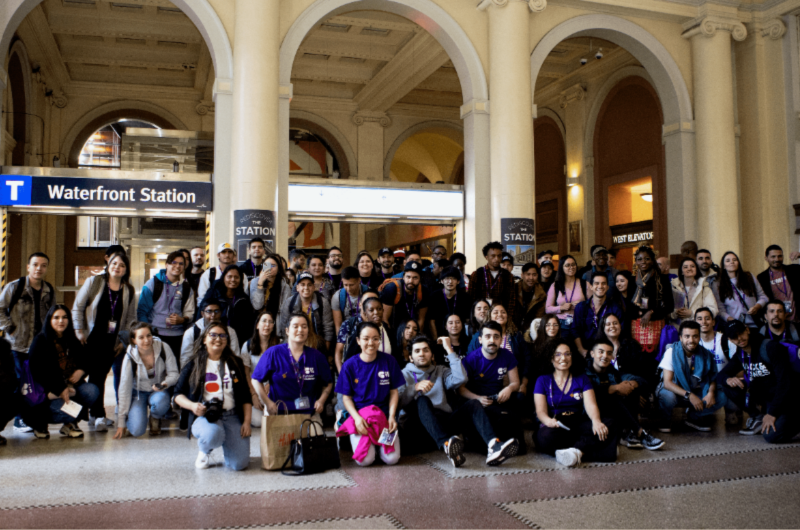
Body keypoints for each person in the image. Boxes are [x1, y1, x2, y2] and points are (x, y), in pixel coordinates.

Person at [400, 335, 519, 466]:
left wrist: (449, 349)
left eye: (426, 350)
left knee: (473, 404)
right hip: (419, 427)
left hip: (444, 421)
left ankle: (494, 446)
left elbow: (461, 379)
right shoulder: (403, 374)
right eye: (417, 351)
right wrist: (414, 388)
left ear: (432, 355)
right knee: (422, 400)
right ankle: (446, 444)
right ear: (410, 357)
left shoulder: (441, 370)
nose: (422, 354)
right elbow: (400, 401)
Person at [72, 251, 137, 431]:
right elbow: (78, 307)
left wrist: (123, 342)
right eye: (115, 263)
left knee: (99, 377)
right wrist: (78, 331)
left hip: (111, 342)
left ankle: (96, 415)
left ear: (126, 270)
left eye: (122, 265)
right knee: (80, 376)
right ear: (108, 265)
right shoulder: (94, 282)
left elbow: (131, 319)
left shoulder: (128, 290)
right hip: (88, 339)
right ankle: (80, 415)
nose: (117, 267)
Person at [174, 322, 252, 470]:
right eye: (213, 335)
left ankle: (229, 445)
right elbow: (177, 394)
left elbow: (245, 395)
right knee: (212, 435)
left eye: (223, 335)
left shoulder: (236, 363)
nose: (218, 339)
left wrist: (247, 422)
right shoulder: (194, 363)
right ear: (204, 339)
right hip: (204, 416)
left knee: (239, 465)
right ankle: (204, 450)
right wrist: (192, 406)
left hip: (232, 415)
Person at [534, 339, 618, 467]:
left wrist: (596, 421)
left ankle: (575, 452)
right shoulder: (542, 380)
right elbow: (540, 411)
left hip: (578, 423)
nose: (563, 358)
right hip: (557, 425)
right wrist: (548, 421)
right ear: (550, 358)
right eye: (558, 354)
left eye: (568, 354)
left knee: (609, 423)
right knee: (543, 436)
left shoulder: (582, 378)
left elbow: (591, 404)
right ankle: (600, 452)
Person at [335, 321, 405, 466]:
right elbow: (346, 398)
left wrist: (391, 417)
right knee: (365, 461)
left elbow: (394, 392)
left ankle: (378, 446)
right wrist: (357, 419)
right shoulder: (349, 365)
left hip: (384, 417)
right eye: (366, 339)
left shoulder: (389, 361)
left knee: (391, 459)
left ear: (379, 340)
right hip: (361, 418)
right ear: (358, 341)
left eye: (375, 338)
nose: (371, 343)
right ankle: (345, 421)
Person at [718, 320, 800, 442]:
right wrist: (728, 378)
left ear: (747, 329)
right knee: (729, 385)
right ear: (730, 340)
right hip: (767, 398)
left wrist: (772, 413)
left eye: (741, 333)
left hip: (787, 398)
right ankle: (757, 417)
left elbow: (785, 383)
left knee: (771, 436)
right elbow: (721, 375)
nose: (739, 338)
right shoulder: (741, 353)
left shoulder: (770, 347)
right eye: (734, 337)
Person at [0, 252, 55, 434]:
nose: (39, 268)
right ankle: (19, 419)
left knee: (35, 384)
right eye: (36, 264)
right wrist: (10, 329)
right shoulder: (14, 288)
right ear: (28, 267)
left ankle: (32, 418)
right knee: (18, 383)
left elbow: (52, 317)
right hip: (18, 345)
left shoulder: (48, 290)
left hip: (39, 347)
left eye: (43, 265)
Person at [28, 305, 100, 439]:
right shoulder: (40, 340)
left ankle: (69, 425)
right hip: (48, 392)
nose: (61, 321)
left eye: (64, 317)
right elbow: (37, 371)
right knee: (70, 411)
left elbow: (87, 360)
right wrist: (60, 388)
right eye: (56, 317)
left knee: (92, 390)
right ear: (49, 319)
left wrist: (81, 370)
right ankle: (40, 424)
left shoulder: (72, 340)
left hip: (71, 388)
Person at [251, 313, 333, 423]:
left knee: (315, 439)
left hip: (309, 414)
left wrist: (321, 401)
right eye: (295, 326)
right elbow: (255, 379)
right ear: (287, 331)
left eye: (304, 327)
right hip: (279, 413)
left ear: (308, 331)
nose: (300, 330)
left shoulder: (317, 356)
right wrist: (267, 403)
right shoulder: (273, 353)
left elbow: (328, 383)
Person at [585, 340, 664, 450]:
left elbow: (640, 381)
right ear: (592, 354)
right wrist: (614, 388)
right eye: (601, 352)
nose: (605, 356)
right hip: (590, 412)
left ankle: (630, 433)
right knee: (612, 398)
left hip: (611, 409)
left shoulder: (611, 371)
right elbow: (588, 392)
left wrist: (632, 385)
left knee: (630, 390)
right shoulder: (584, 371)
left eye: (609, 353)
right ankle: (641, 433)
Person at [458, 321, 524, 452]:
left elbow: (516, 383)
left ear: (501, 339)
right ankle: (491, 443)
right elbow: (460, 389)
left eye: (496, 336)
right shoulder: (471, 359)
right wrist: (477, 398)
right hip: (478, 401)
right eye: (487, 336)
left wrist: (509, 388)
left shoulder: (507, 355)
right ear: (480, 340)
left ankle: (515, 443)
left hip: (498, 397)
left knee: (519, 397)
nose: (492, 340)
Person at [656, 321, 726, 432]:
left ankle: (693, 417)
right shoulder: (671, 352)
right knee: (668, 396)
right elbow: (667, 383)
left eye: (695, 336)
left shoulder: (706, 354)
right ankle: (665, 419)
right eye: (687, 336)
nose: (691, 340)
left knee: (721, 396)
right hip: (676, 392)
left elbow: (712, 379)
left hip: (695, 391)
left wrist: (711, 393)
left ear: (699, 337)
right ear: (681, 338)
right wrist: (689, 395)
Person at [114, 322, 178, 438]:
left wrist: (164, 384)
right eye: (141, 337)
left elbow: (174, 373)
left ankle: (155, 417)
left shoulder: (163, 347)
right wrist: (121, 422)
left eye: (149, 336)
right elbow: (124, 387)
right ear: (133, 340)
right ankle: (132, 415)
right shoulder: (129, 356)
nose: (147, 340)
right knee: (137, 431)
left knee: (161, 401)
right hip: (138, 392)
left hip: (158, 391)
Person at [137, 250, 196, 360]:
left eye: (181, 264)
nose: (177, 266)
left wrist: (182, 319)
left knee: (174, 370)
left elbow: (190, 313)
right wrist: (146, 334)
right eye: (174, 262)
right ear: (167, 265)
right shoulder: (152, 284)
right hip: (155, 335)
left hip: (177, 336)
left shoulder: (187, 288)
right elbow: (141, 312)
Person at [629, 246, 674, 354]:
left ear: (653, 260)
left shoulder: (662, 279)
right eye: (639, 259)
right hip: (637, 325)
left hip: (656, 324)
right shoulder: (632, 280)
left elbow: (670, 306)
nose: (643, 262)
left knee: (655, 358)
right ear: (636, 262)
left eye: (647, 259)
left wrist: (651, 312)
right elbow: (628, 305)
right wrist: (640, 312)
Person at [335, 294, 396, 372]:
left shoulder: (388, 330)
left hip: (385, 376)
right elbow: (350, 360)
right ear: (365, 313)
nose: (376, 312)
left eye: (379, 309)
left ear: (383, 311)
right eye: (371, 310)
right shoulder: (360, 332)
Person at [199, 265, 255, 350]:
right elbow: (201, 314)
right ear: (223, 278)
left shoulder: (244, 299)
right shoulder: (213, 294)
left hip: (236, 342)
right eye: (229, 277)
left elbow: (248, 326)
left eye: (236, 277)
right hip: (214, 338)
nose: (233, 280)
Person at [241, 310, 280, 428]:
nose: (267, 325)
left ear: (273, 326)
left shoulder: (279, 345)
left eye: (270, 322)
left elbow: (281, 371)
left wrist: (270, 384)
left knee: (274, 416)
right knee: (258, 422)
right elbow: (246, 373)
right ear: (257, 325)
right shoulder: (247, 345)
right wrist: (253, 395)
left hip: (273, 388)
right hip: (255, 388)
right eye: (264, 321)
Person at [278, 271, 334, 353]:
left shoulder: (323, 302)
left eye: (309, 284)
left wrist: (325, 353)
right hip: (295, 340)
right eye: (302, 284)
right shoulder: (289, 302)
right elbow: (284, 328)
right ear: (297, 287)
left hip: (316, 342)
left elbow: (328, 330)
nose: (306, 288)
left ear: (314, 287)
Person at [594, 313, 654, 388]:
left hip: (630, 387)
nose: (612, 326)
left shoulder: (632, 345)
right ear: (603, 328)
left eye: (615, 323)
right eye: (608, 324)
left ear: (620, 326)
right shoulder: (596, 348)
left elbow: (642, 372)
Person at [573, 272, 625, 357]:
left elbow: (621, 330)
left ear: (607, 287)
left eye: (603, 283)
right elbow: (575, 330)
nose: (600, 286)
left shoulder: (615, 308)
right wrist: (581, 350)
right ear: (591, 286)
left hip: (607, 353)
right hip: (586, 351)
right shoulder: (581, 307)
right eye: (597, 283)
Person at [181, 300, 242, 367]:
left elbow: (235, 355)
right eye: (209, 311)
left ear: (221, 313)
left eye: (216, 311)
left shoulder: (230, 331)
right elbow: (186, 358)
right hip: (198, 369)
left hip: (224, 368)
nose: (213, 315)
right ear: (202, 314)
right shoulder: (191, 332)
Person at [717, 251, 768, 330]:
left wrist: (756, 307)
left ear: (738, 263)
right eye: (728, 261)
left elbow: (763, 297)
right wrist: (733, 321)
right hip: (736, 327)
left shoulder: (749, 277)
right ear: (723, 266)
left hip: (755, 324)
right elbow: (720, 310)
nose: (732, 262)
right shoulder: (719, 284)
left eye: (734, 260)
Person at [469, 242, 516, 320]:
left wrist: (509, 318)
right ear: (486, 257)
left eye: (499, 256)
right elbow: (471, 299)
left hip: (500, 317)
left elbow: (512, 300)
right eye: (493, 256)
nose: (496, 259)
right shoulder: (477, 274)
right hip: (481, 317)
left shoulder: (508, 276)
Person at [546, 255, 588, 339]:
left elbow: (593, 304)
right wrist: (561, 307)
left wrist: (582, 306)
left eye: (573, 264)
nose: (571, 267)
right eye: (567, 265)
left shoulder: (584, 284)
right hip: (561, 324)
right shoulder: (556, 285)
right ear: (562, 267)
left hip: (580, 323)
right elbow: (547, 309)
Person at [379, 261, 429, 333]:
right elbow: (384, 319)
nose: (411, 281)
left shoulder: (423, 291)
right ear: (403, 277)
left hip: (412, 329)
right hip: (394, 328)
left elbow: (421, 319)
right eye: (408, 277)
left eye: (415, 278)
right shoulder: (391, 289)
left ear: (420, 279)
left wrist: (415, 337)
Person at [757, 245, 800, 323]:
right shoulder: (761, 277)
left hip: (798, 319)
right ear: (766, 258)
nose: (777, 259)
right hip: (777, 321)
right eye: (773, 256)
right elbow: (762, 298)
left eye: (779, 256)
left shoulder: (794, 270)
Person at [670, 257, 718, 326]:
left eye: (692, 266)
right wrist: (675, 313)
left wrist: (692, 313)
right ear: (681, 271)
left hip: (698, 328)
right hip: (678, 328)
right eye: (685, 267)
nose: (689, 269)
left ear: (696, 270)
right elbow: (667, 311)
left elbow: (713, 310)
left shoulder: (704, 289)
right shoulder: (673, 288)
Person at [426, 266, 470, 342]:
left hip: (460, 337)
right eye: (447, 278)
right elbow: (431, 321)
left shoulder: (465, 297)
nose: (450, 281)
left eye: (453, 278)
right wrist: (436, 340)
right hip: (440, 336)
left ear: (458, 281)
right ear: (442, 281)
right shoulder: (434, 296)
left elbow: (467, 320)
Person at [250, 253, 293, 325]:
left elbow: (285, 312)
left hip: (276, 323)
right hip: (258, 323)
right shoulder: (255, 282)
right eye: (267, 265)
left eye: (273, 265)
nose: (270, 268)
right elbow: (257, 306)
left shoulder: (285, 286)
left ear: (278, 268)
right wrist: (260, 283)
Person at [331, 266, 369, 334]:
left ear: (359, 280)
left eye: (351, 285)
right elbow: (338, 326)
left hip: (366, 331)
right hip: (347, 332)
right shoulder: (337, 297)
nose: (348, 289)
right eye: (345, 285)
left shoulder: (368, 293)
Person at [527, 315, 562, 386]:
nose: (552, 328)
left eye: (555, 325)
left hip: (559, 380)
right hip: (539, 382)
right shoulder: (534, 345)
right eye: (548, 325)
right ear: (543, 326)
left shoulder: (564, 344)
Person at [514, 262, 547, 332]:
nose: (531, 278)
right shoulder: (514, 289)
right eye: (528, 274)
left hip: (530, 329)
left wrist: (530, 331)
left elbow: (538, 317)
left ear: (537, 275)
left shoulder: (541, 294)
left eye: (534, 275)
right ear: (522, 275)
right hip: (513, 327)